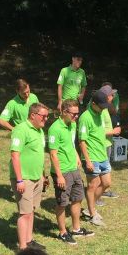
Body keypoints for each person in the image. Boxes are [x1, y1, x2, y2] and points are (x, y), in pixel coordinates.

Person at [48, 100, 96, 244]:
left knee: (77, 198)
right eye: (74, 114)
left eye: (77, 113)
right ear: (64, 112)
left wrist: (76, 156)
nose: (76, 116)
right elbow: (53, 154)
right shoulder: (55, 129)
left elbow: (70, 143)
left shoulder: (72, 124)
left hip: (73, 169)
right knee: (62, 203)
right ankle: (63, 232)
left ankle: (76, 229)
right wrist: (59, 176)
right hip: (62, 171)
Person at [11, 103, 49, 250]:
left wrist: (42, 176)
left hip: (36, 177)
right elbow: (15, 155)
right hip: (24, 178)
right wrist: (19, 180)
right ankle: (22, 248)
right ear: (33, 115)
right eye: (43, 116)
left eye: (47, 116)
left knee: (31, 210)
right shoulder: (21, 130)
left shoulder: (39, 131)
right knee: (24, 213)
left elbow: (38, 154)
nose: (46, 119)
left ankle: (29, 240)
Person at [79, 90, 115, 227]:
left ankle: (90, 208)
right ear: (93, 104)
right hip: (91, 157)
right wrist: (87, 160)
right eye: (101, 106)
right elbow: (82, 141)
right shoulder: (85, 118)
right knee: (92, 186)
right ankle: (92, 214)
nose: (103, 109)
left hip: (102, 155)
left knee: (106, 183)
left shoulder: (100, 113)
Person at [99, 83, 121, 199]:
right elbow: (98, 131)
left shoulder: (106, 108)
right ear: (107, 96)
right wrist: (113, 131)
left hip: (108, 142)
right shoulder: (100, 111)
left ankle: (104, 190)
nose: (113, 96)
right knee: (101, 169)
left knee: (106, 168)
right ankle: (99, 193)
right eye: (112, 95)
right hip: (102, 144)